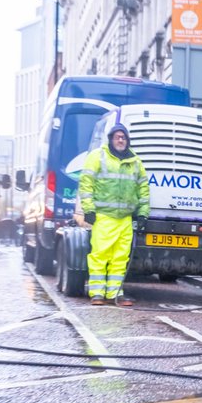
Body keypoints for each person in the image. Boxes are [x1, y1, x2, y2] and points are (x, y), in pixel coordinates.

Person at [76, 122, 149, 306]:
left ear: (128, 140)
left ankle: (115, 293)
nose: (120, 139)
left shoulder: (135, 162)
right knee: (100, 255)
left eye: (123, 137)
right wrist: (89, 209)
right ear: (110, 139)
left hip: (125, 218)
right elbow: (86, 184)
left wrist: (143, 213)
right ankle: (97, 294)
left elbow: (143, 189)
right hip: (104, 217)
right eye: (117, 136)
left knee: (120, 258)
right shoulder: (97, 157)